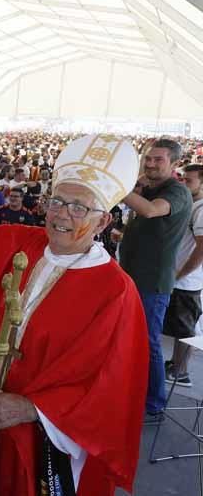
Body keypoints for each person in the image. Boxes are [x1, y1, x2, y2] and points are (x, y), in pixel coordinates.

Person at [0, 134, 148, 496]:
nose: (62, 215)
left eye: (79, 208)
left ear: (102, 222)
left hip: (45, 436)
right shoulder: (26, 242)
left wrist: (30, 409)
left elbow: (112, 387)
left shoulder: (116, 292)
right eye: (57, 202)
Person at [120, 138, 192, 420]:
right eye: (148, 158)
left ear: (175, 164)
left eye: (158, 160)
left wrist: (118, 187)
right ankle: (134, 390)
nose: (150, 164)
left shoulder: (177, 192)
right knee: (132, 340)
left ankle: (155, 402)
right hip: (133, 276)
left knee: (149, 342)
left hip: (152, 283)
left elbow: (151, 211)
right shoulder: (148, 186)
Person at [163, 164, 203, 388]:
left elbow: (201, 250)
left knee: (185, 329)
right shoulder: (192, 205)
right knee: (180, 328)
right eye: (183, 179)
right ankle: (175, 366)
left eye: (189, 181)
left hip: (187, 281)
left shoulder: (201, 209)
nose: (184, 184)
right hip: (179, 278)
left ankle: (181, 372)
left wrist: (179, 274)